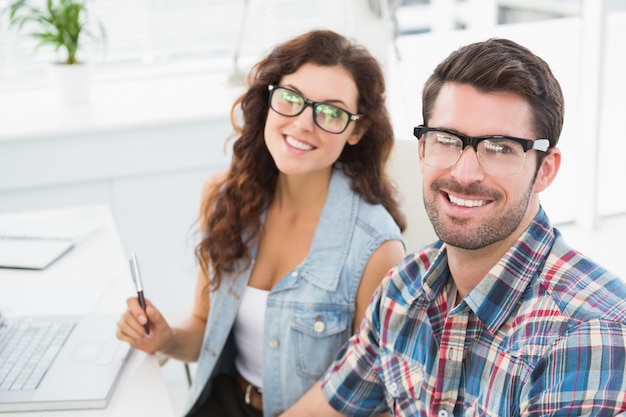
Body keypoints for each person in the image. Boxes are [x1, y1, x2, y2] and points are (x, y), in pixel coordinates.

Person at [282, 38, 626, 416]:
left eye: (499, 147)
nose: (464, 173)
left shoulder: (587, 334)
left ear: (545, 169)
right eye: (446, 140)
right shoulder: (402, 291)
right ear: (422, 149)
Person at [116, 29, 407, 417]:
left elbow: (370, 391)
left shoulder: (376, 248)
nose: (304, 123)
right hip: (223, 402)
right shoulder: (225, 197)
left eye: (332, 112)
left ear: (356, 129)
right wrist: (166, 338)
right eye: (291, 99)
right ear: (270, 99)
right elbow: (205, 324)